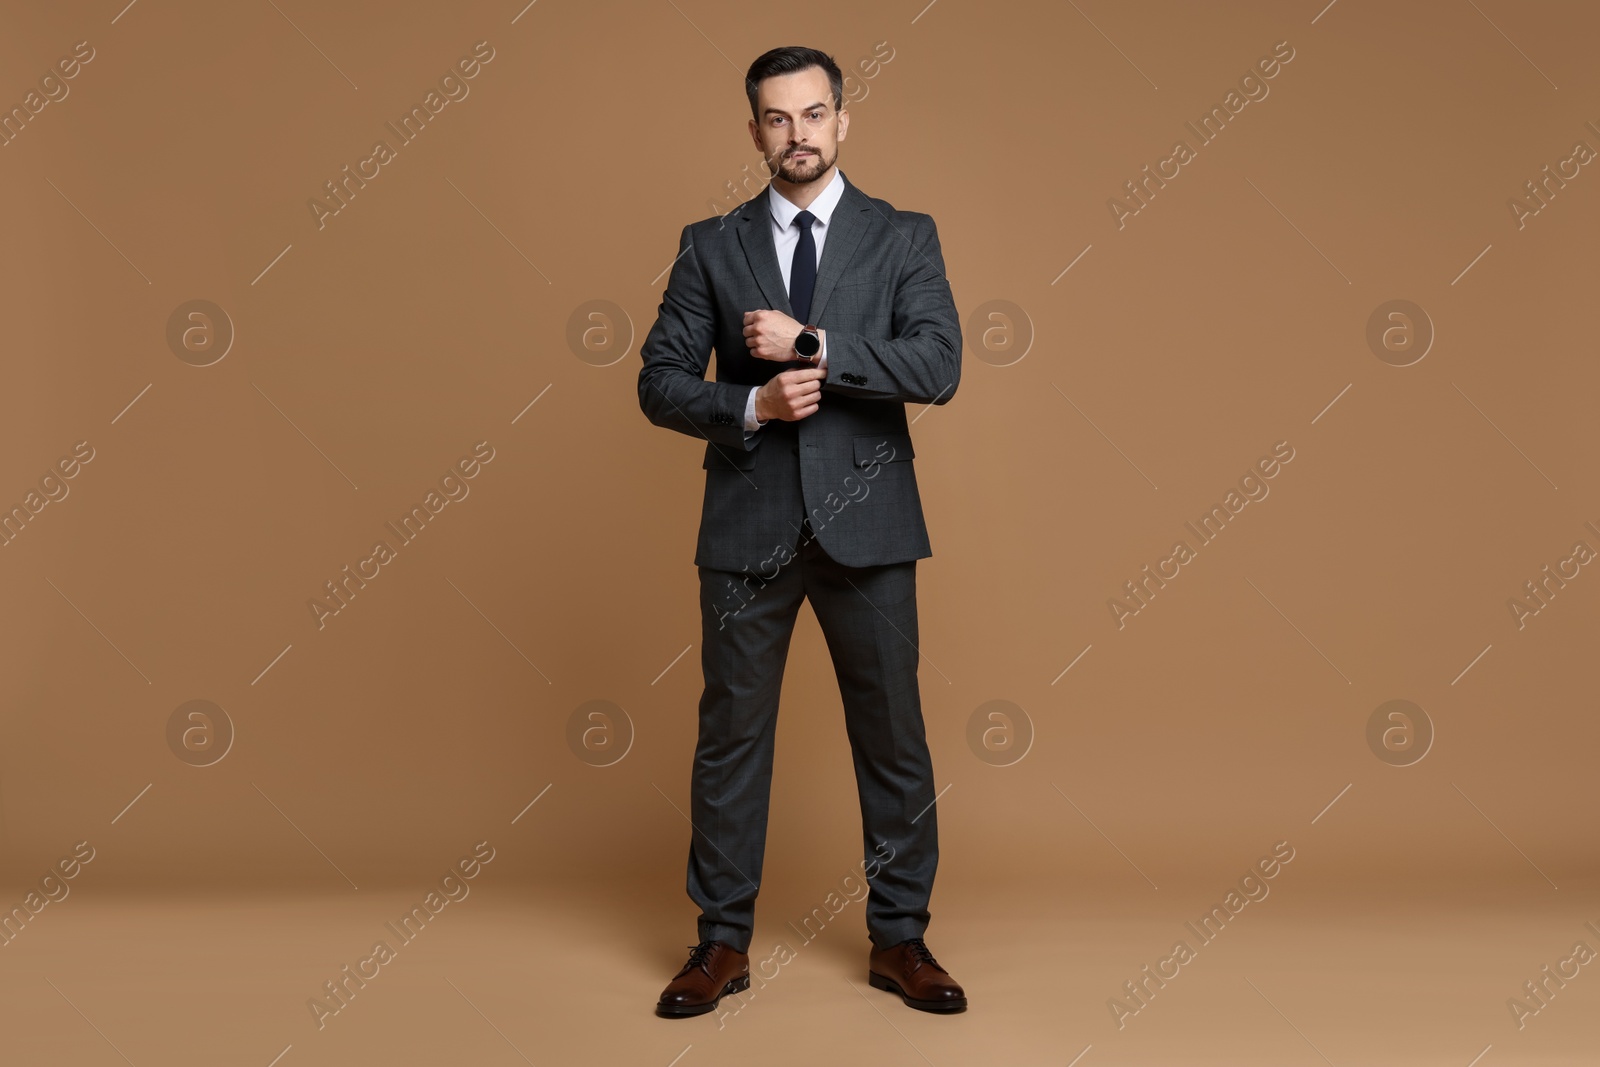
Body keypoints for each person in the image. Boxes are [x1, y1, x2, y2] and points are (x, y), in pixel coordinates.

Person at [637, 44, 965, 1017]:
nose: (797, 135)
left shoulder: (904, 236)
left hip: (871, 526)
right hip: (747, 526)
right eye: (777, 120)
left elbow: (937, 364)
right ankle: (719, 942)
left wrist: (813, 345)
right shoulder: (710, 243)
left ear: (842, 120)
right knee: (729, 738)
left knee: (893, 738)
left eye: (813, 114)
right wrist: (750, 407)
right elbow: (656, 380)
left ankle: (901, 939)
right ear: (754, 133)